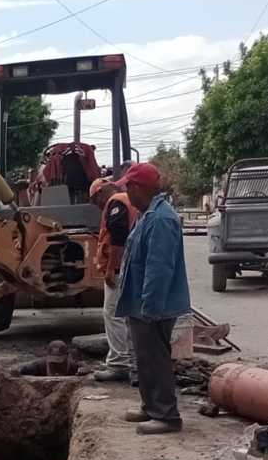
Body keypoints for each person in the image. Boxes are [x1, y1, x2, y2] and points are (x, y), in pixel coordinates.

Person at [112, 162, 192, 435]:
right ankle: (150, 407)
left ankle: (166, 416)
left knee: (155, 359)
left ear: (137, 188)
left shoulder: (160, 219)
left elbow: (159, 268)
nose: (127, 195)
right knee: (145, 359)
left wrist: (150, 305)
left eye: (128, 188)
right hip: (141, 304)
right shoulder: (148, 215)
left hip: (152, 306)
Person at [89, 177, 140, 386]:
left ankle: (119, 364)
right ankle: (132, 363)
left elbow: (118, 236)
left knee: (113, 314)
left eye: (95, 201)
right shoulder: (130, 201)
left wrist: (111, 268)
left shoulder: (116, 202)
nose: (97, 206)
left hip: (119, 268)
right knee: (128, 317)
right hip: (130, 267)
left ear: (101, 192)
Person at [13, 340, 85, 376]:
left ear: (67, 356)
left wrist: (84, 370)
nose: (55, 365)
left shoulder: (73, 365)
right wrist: (16, 371)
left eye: (59, 362)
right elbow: (21, 369)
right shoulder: (40, 365)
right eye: (52, 362)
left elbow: (87, 368)